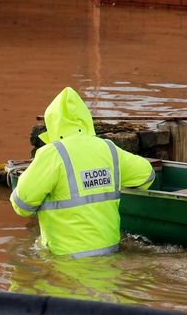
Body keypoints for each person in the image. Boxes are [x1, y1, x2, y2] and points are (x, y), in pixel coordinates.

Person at [10, 87, 155, 258]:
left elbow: (21, 204)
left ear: (53, 123)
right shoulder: (107, 148)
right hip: (110, 255)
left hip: (65, 261)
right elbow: (147, 175)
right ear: (86, 118)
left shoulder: (52, 154)